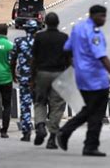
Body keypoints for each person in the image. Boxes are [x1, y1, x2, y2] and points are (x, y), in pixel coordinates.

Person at [57, 5, 110, 157]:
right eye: (101, 16)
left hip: (81, 77)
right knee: (96, 113)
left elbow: (67, 49)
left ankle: (84, 142)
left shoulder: (77, 28)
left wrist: (73, 63)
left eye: (105, 16)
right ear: (92, 15)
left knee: (90, 109)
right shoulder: (94, 33)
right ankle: (77, 138)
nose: (104, 20)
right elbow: (102, 57)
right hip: (96, 78)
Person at [32, 12, 71, 149]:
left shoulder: (39, 37)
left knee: (40, 101)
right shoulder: (64, 38)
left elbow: (34, 59)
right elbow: (69, 59)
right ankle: (52, 138)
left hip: (42, 73)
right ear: (58, 23)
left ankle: (40, 125)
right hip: (59, 73)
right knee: (57, 106)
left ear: (46, 23)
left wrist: (32, 77)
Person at [10, 20, 38, 142]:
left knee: (25, 105)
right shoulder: (40, 42)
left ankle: (26, 132)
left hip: (24, 77)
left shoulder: (19, 41)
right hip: (39, 78)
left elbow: (12, 59)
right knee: (40, 104)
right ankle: (41, 127)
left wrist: (12, 73)